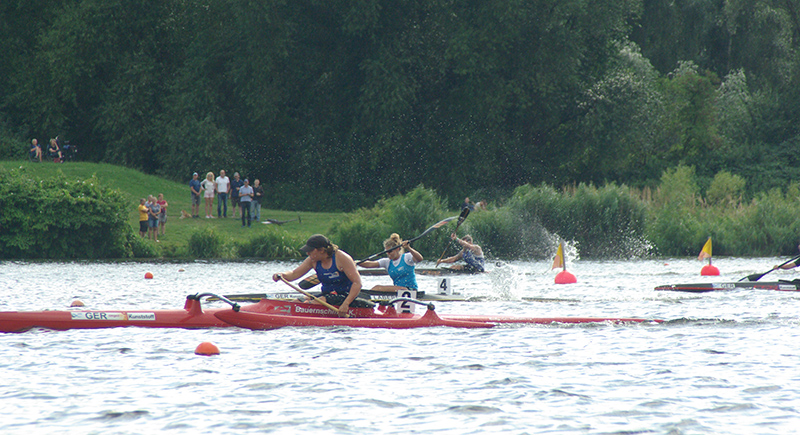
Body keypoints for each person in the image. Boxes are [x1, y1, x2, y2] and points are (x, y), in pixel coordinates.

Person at [272, 234, 364, 316]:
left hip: (345, 296)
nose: (308, 253)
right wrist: (281, 274)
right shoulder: (312, 260)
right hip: (326, 295)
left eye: (310, 251)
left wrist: (346, 304)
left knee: (313, 303)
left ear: (321, 250)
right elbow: (293, 274)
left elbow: (357, 283)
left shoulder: (342, 258)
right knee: (297, 302)